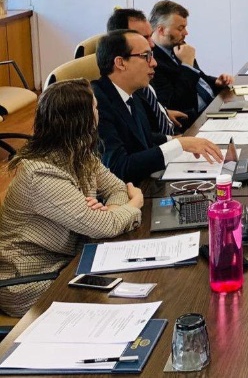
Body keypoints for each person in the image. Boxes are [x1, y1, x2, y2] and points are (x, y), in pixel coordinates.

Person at [0, 79, 143, 317]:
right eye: (96, 109)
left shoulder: (78, 153)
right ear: (82, 121)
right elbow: (105, 224)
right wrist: (133, 204)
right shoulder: (41, 174)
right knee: (125, 297)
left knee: (133, 281)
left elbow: (117, 189)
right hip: (29, 282)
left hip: (68, 262)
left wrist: (111, 210)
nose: (99, 114)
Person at [92, 29, 223, 184]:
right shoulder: (96, 104)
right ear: (120, 63)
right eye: (146, 56)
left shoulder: (134, 92)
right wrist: (178, 145)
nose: (154, 63)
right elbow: (118, 168)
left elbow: (141, 137)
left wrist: (176, 139)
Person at [149, 0, 233, 129]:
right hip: (194, 121)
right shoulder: (152, 61)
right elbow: (176, 103)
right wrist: (187, 65)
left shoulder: (179, 47)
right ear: (161, 30)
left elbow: (199, 79)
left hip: (214, 105)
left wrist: (216, 82)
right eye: (180, 28)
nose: (186, 33)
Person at [106, 7, 188, 133]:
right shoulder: (119, 91)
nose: (152, 44)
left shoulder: (142, 69)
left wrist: (163, 111)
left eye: (150, 36)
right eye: (144, 38)